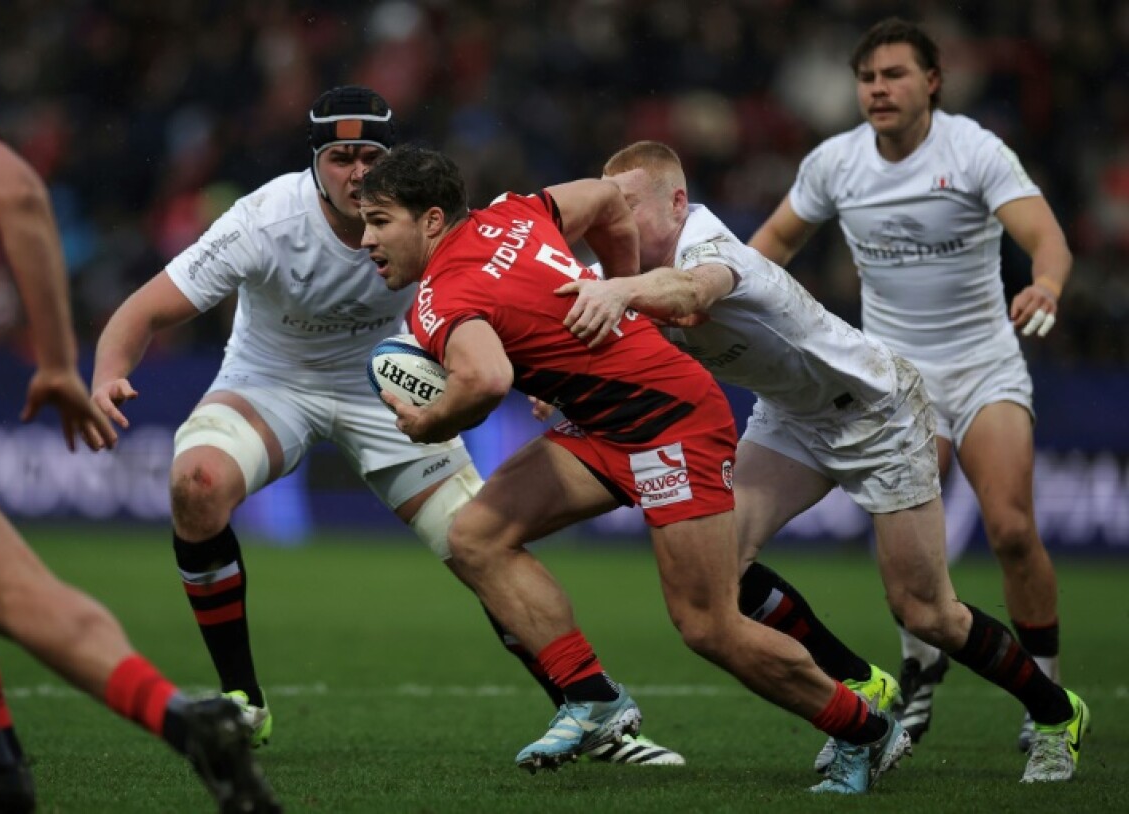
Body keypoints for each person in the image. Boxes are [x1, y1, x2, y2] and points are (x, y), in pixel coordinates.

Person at [80, 86, 682, 766]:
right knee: (196, 483)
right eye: (341, 157)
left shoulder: (426, 218)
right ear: (315, 161)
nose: (357, 172)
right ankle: (243, 700)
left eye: (370, 155)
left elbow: (521, 272)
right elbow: (142, 310)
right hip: (271, 382)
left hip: (392, 387)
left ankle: (596, 712)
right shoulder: (264, 221)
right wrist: (106, 376)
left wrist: (593, 333)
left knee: (477, 546)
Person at [358, 142, 919, 795]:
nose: (366, 239)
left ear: (430, 221)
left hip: (669, 423)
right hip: (606, 422)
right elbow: (604, 202)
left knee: (708, 627)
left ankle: (865, 731)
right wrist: (617, 301)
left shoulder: (441, 296)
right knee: (475, 536)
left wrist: (434, 422)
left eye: (379, 221)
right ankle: (593, 698)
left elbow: (485, 379)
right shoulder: (514, 213)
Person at [555, 138, 1088, 786]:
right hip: (790, 418)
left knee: (928, 613)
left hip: (877, 412)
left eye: (629, 205)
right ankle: (863, 685)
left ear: (676, 202)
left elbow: (691, 295)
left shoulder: (708, 246)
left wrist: (614, 294)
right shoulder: (634, 270)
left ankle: (1058, 715)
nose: (616, 220)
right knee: (722, 567)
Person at [0, 85, 280, 813]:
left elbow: (18, 194)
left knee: (9, 590)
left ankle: (184, 721)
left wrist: (54, 361)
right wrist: (55, 360)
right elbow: (14, 187)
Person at [747, 17, 1070, 752]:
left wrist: (1046, 285)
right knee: (909, 546)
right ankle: (920, 677)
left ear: (932, 82)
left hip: (982, 363)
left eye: (894, 75)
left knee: (1013, 530)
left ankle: (1044, 694)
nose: (878, 89)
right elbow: (770, 247)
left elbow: (1046, 237)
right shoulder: (836, 163)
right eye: (867, 78)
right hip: (895, 376)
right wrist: (727, 291)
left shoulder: (975, 150)